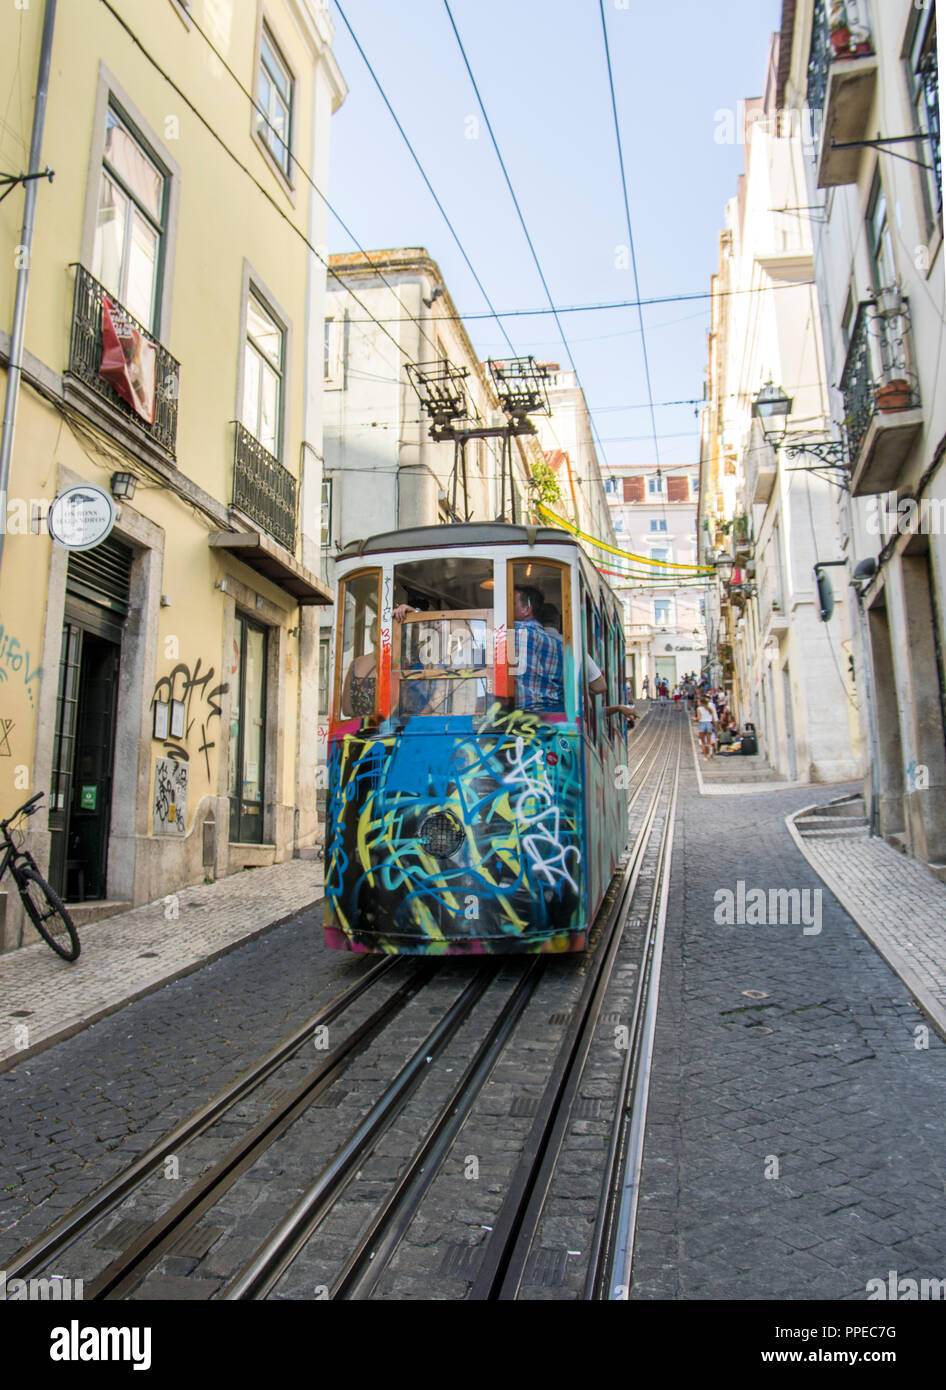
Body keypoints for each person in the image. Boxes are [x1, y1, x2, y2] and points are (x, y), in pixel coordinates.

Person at [512, 586, 564, 711]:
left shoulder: (512, 632)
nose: (505, 607)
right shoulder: (558, 644)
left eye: (512, 603)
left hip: (518, 717)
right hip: (553, 717)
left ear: (526, 609)